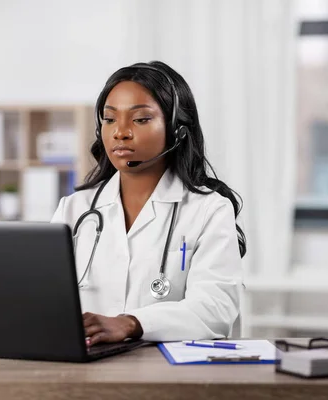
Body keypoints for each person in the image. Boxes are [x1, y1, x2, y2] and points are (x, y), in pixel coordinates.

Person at [51, 60, 246, 347]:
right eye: (110, 119)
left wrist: (131, 323)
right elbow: (44, 300)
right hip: (85, 368)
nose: (121, 132)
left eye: (140, 119)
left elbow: (214, 309)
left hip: (168, 372)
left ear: (177, 129)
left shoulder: (209, 210)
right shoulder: (75, 209)